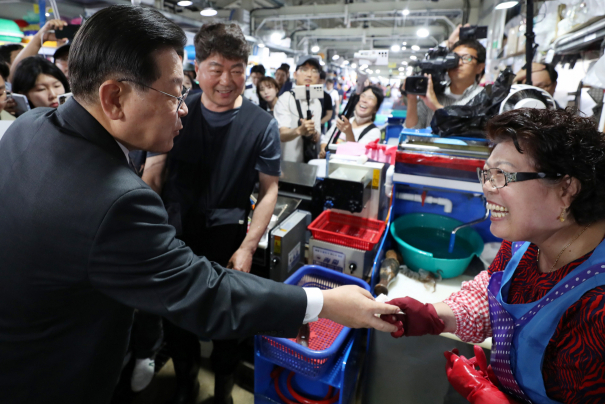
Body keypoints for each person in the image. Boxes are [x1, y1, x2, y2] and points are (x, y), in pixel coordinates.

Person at [0, 6, 400, 404]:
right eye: (173, 93)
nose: (184, 106)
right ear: (114, 97)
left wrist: (245, 246)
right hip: (55, 377)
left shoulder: (30, 127)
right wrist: (325, 302)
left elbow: (266, 190)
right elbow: (206, 294)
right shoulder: (115, 201)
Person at [381, 108, 605, 404]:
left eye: (502, 175)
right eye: (487, 174)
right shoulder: (528, 239)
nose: (486, 188)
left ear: (567, 189)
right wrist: (434, 315)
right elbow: (493, 292)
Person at [141, 22, 299, 404]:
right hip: (175, 232)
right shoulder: (177, 109)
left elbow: (268, 190)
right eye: (216, 68)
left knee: (230, 320)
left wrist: (248, 247)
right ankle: (186, 383)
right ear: (198, 71)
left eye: (236, 69)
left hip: (228, 234)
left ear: (247, 70)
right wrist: (145, 230)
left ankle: (224, 391)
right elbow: (154, 171)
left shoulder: (261, 124)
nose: (226, 80)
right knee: (177, 318)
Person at [405, 38, 486, 130]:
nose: (458, 63)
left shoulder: (485, 98)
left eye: (466, 58)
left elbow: (472, 137)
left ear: (480, 67)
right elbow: (412, 135)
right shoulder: (433, 93)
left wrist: (436, 106)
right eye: (454, 58)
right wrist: (411, 99)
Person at [274, 56, 322, 162]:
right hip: (288, 164)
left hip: (310, 163)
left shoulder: (316, 102)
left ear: (318, 77)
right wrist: (300, 130)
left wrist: (313, 133)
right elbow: (282, 135)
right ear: (295, 74)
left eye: (314, 71)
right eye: (304, 69)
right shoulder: (285, 98)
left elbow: (317, 136)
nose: (309, 74)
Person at [319, 85, 383, 158]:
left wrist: (349, 133)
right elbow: (326, 140)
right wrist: (323, 150)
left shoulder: (374, 132)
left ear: (376, 108)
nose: (364, 100)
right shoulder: (345, 120)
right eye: (363, 96)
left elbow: (358, 156)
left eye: (370, 98)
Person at [8, 19, 68, 83]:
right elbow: (16, 75)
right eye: (65, 59)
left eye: (78, 60)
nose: (70, 66)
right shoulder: (50, 85)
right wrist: (39, 39)